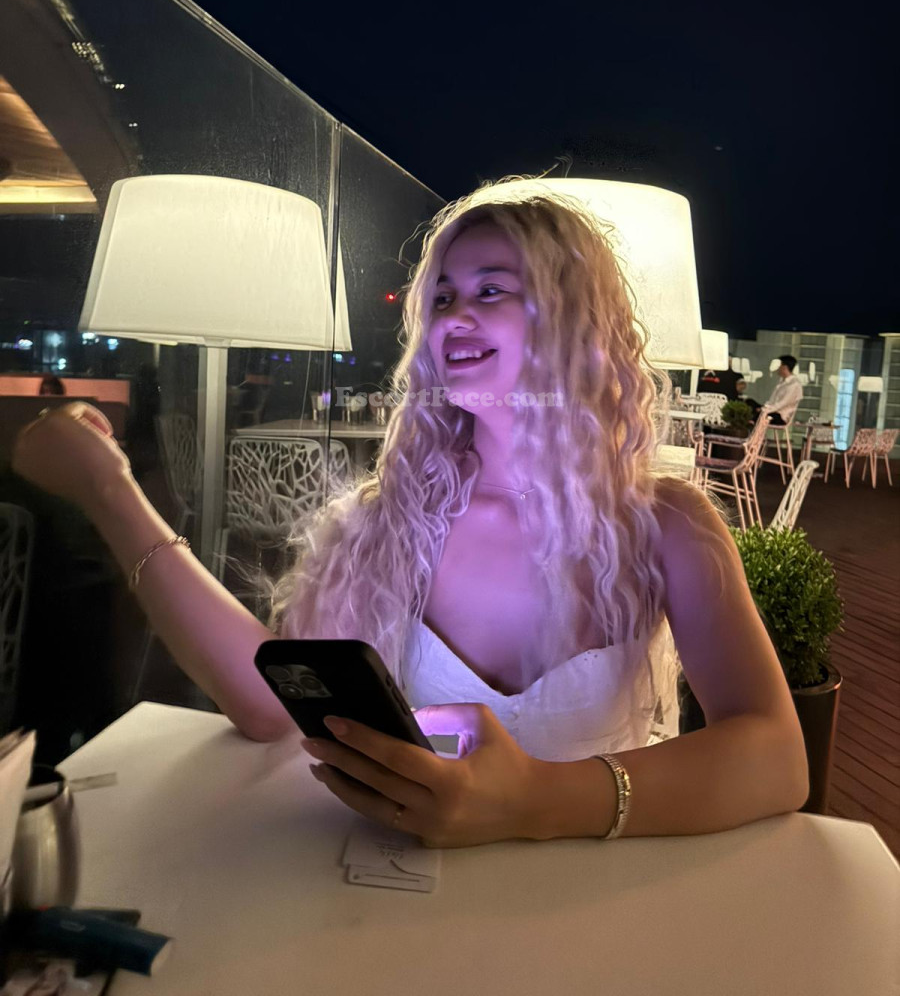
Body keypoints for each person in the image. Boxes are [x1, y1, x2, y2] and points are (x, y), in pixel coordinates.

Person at [12, 179, 808, 847]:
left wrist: (531, 803)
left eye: (491, 290)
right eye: (443, 296)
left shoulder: (667, 524)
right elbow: (267, 702)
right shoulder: (389, 519)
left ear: (574, 318)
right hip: (408, 899)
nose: (453, 317)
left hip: (599, 907)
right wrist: (111, 489)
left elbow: (777, 758)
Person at [760, 356, 803, 426]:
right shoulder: (782, 382)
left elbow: (783, 403)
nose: (777, 369)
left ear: (784, 367)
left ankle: (753, 429)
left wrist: (765, 410)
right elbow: (772, 400)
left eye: (779, 366)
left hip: (781, 416)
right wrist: (764, 408)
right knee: (750, 403)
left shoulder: (794, 384)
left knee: (756, 415)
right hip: (772, 411)